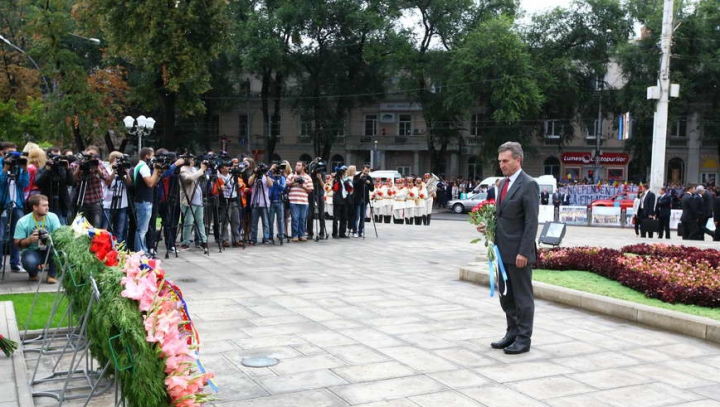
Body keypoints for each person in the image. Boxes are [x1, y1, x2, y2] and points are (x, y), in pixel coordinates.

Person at [477, 141, 538, 355]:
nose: (501, 164)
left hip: (519, 253)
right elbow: (501, 216)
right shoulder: (502, 184)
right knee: (506, 296)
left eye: (505, 160)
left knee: (522, 298)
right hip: (502, 251)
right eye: (500, 161)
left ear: (517, 160)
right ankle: (511, 333)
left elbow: (531, 222)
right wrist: (487, 226)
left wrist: (524, 251)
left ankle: (523, 339)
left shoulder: (529, 184)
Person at [14, 194, 61, 283]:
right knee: (29, 262)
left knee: (59, 251)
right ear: (35, 207)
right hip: (32, 250)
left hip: (49, 248)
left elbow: (59, 237)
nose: (47, 208)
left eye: (47, 205)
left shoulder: (53, 217)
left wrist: (49, 237)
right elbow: (16, 243)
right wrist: (29, 240)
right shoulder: (23, 222)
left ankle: (52, 275)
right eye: (44, 205)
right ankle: (33, 273)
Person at [0, 146, 29, 272]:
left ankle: (15, 263)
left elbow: (24, 184)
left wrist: (24, 169)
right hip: (3, 204)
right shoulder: (1, 165)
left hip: (17, 205)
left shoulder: (18, 166)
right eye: (10, 153)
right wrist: (5, 169)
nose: (13, 157)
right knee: (0, 236)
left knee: (16, 235)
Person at [133, 148, 162, 255]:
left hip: (143, 200)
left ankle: (142, 249)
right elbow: (150, 183)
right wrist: (155, 170)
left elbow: (153, 183)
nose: (153, 158)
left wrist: (158, 173)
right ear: (147, 156)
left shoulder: (140, 166)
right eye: (152, 156)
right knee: (142, 230)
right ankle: (140, 252)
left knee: (142, 229)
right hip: (144, 201)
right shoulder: (143, 167)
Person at [72, 146, 108, 227]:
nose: (91, 157)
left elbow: (106, 177)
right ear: (85, 152)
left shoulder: (98, 163)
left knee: (96, 227)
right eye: (90, 154)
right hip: (81, 200)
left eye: (94, 155)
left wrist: (97, 169)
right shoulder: (76, 163)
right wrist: (79, 167)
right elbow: (71, 180)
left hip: (95, 201)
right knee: (81, 228)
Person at [179, 157, 209, 253]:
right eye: (191, 159)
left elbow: (202, 179)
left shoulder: (194, 169)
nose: (193, 161)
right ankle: (185, 242)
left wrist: (204, 171)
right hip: (188, 201)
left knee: (200, 222)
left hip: (198, 200)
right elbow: (190, 179)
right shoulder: (182, 171)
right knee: (188, 223)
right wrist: (202, 169)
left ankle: (203, 241)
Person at [35, 152, 75, 225]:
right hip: (48, 202)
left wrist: (68, 169)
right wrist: (47, 170)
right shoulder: (44, 169)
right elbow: (38, 183)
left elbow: (71, 183)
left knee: (62, 226)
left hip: (62, 203)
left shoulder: (63, 168)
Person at [102, 152, 132, 244]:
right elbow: (107, 183)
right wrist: (114, 171)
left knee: (119, 232)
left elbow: (129, 184)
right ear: (114, 159)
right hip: (108, 204)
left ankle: (118, 252)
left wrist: (127, 173)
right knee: (105, 230)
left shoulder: (123, 169)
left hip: (122, 204)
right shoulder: (106, 169)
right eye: (120, 159)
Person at [287, 161, 314, 242]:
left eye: (299, 165)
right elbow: (286, 184)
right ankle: (294, 235)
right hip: (293, 200)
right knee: (295, 218)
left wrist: (303, 186)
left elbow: (310, 190)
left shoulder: (308, 177)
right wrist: (293, 181)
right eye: (296, 165)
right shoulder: (291, 175)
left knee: (302, 219)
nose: (296, 166)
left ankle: (301, 234)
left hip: (304, 201)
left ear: (303, 167)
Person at [267, 162, 287, 244]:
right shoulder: (270, 176)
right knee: (270, 220)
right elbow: (266, 175)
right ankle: (270, 236)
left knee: (280, 220)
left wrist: (275, 181)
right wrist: (271, 169)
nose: (276, 172)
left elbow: (283, 188)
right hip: (271, 201)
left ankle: (281, 235)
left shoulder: (282, 178)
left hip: (279, 201)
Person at [352, 165, 374, 237]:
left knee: (362, 216)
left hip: (365, 199)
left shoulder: (369, 178)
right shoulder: (357, 176)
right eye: (365, 171)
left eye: (368, 171)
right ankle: (354, 231)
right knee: (356, 216)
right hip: (357, 199)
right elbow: (354, 185)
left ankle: (360, 231)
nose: (366, 172)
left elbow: (372, 189)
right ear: (362, 170)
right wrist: (360, 179)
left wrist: (369, 183)